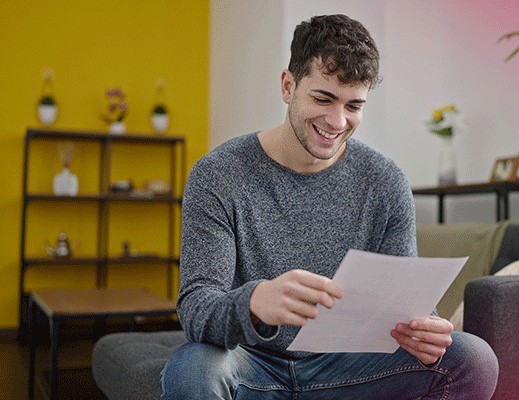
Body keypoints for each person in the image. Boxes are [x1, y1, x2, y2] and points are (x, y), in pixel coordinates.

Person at [161, 14, 498, 399]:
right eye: (323, 98)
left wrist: (426, 328)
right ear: (288, 86)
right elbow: (196, 308)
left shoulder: (385, 182)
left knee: (472, 358)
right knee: (192, 368)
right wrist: (255, 303)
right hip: (249, 364)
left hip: (348, 369)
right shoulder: (219, 174)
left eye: (353, 105)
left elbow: (404, 303)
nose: (337, 121)